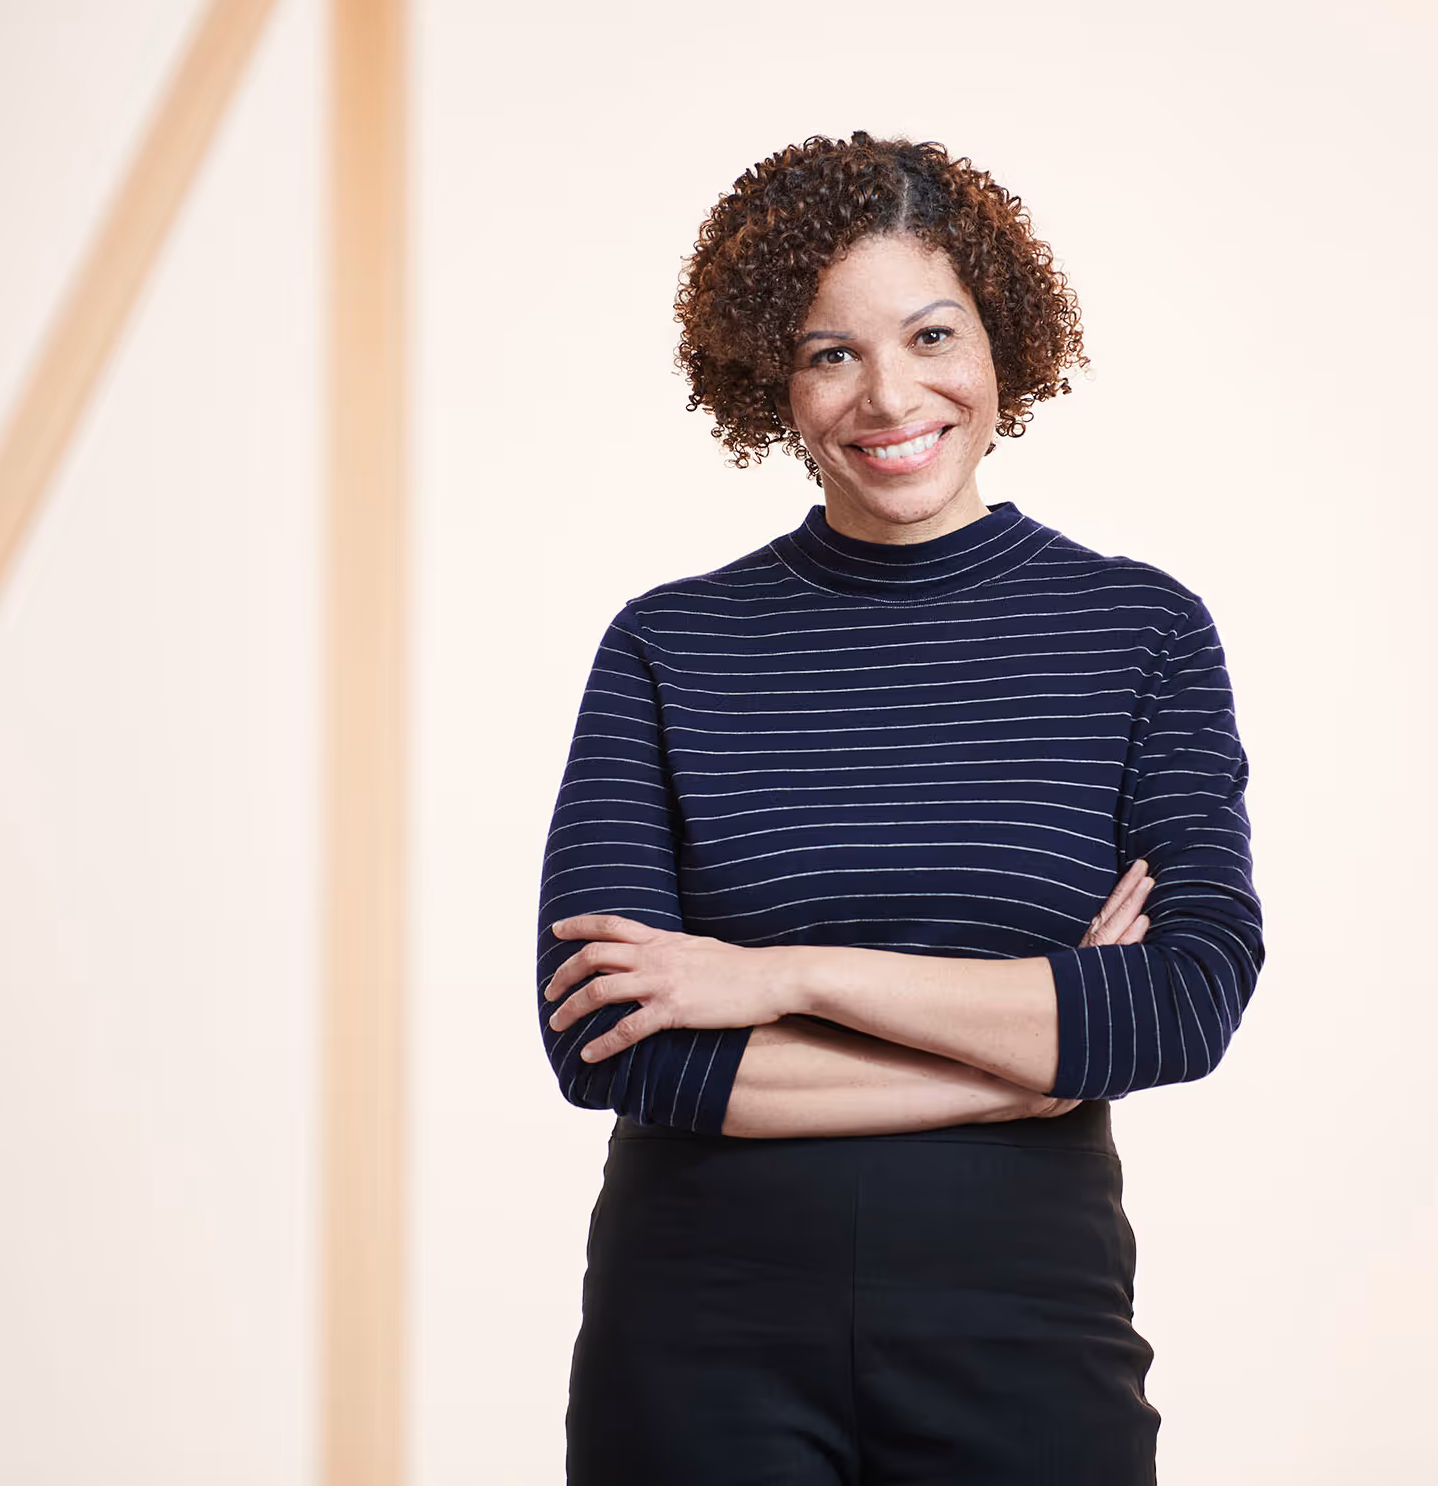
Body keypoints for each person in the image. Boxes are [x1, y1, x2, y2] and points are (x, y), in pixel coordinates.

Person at [535, 130, 1264, 1485]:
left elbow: (1183, 999)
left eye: (932, 334)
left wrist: (779, 976)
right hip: (698, 1334)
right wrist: (1027, 1064)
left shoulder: (1138, 633)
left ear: (1002, 341)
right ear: (772, 382)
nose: (889, 395)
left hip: (1029, 1331)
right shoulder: (668, 647)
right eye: (831, 353)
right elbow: (610, 1042)